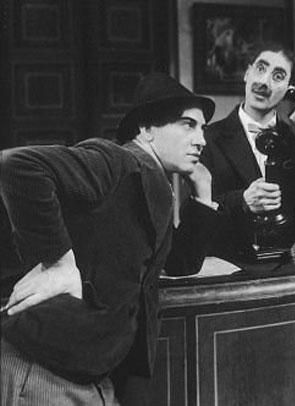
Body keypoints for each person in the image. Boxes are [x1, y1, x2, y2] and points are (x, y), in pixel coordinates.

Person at [0, 72, 220, 406]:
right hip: (42, 369)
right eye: (188, 125)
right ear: (146, 129)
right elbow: (17, 165)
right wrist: (58, 263)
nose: (201, 139)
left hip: (88, 373)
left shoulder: (154, 184)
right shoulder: (116, 161)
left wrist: (203, 194)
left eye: (203, 128)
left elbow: (180, 263)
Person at [200, 42, 295, 260]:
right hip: (230, 264)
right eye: (260, 69)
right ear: (247, 73)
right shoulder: (207, 138)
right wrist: (242, 201)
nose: (263, 82)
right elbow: (195, 211)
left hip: (287, 263)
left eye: (278, 76)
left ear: (290, 89)